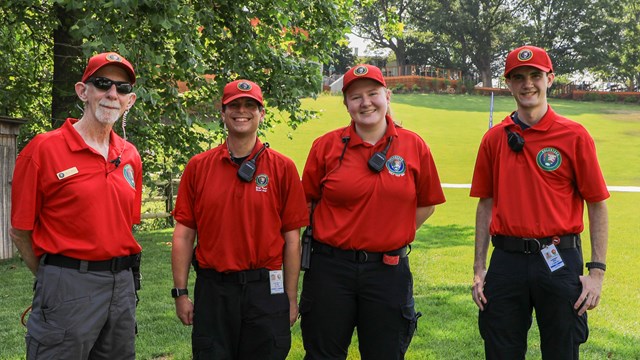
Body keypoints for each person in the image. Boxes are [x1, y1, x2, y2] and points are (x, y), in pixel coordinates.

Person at [470, 45, 609, 359]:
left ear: (550, 78)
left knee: (562, 350)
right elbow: (485, 204)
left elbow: (597, 203)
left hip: (559, 258)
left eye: (535, 75)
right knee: (500, 349)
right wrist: (479, 269)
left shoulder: (574, 135)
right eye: (518, 77)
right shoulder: (494, 139)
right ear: (508, 83)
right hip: (506, 262)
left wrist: (596, 273)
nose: (527, 84)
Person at [299, 64, 446, 359]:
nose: (365, 103)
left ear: (387, 96)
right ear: (346, 105)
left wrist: (390, 231)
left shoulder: (414, 145)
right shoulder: (325, 147)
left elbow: (426, 203)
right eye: (355, 97)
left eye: (373, 93)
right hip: (330, 269)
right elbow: (306, 203)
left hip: (387, 270)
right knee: (322, 354)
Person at [10, 51, 142, 359]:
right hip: (68, 284)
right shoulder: (43, 149)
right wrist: (53, 276)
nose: (112, 94)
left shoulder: (131, 156)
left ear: (130, 100)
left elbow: (125, 224)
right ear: (83, 91)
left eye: (121, 88)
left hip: (122, 286)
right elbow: (20, 231)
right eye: (102, 83)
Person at [170, 79, 308, 359]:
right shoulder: (199, 167)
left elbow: (292, 241)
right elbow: (184, 234)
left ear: (261, 114)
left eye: (250, 106)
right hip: (214, 290)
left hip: (267, 289)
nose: (241, 111)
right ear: (222, 113)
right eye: (234, 105)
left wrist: (290, 298)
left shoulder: (282, 168)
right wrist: (181, 292)